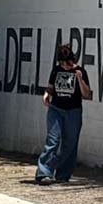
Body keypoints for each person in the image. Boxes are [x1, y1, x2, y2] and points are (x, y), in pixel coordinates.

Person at [35, 44, 92, 184]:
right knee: (53, 140)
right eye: (62, 63)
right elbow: (50, 87)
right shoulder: (56, 70)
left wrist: (79, 79)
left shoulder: (81, 71)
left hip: (73, 111)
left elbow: (87, 94)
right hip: (56, 108)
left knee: (70, 143)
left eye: (67, 63)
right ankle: (43, 172)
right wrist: (47, 94)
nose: (65, 66)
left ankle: (63, 174)